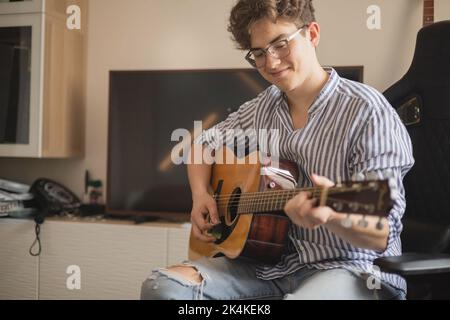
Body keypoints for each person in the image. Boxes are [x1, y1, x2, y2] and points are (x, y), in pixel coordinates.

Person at [141, 0, 414, 300]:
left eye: (280, 44)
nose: (270, 63)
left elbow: (381, 231)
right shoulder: (264, 106)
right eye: (258, 53)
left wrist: (333, 216)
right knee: (162, 289)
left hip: (353, 269)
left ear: (312, 34)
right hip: (270, 267)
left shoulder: (368, 111)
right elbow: (202, 145)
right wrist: (201, 195)